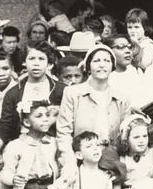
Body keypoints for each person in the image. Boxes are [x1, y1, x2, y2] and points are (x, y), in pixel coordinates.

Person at [55, 45, 132, 178]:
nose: (102, 65)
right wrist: (70, 162)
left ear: (113, 66)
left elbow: (125, 135)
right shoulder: (73, 93)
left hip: (112, 161)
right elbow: (64, 132)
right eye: (96, 61)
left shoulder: (122, 97)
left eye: (107, 61)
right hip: (80, 160)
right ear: (88, 66)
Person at [0, 42, 65, 151]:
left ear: (49, 63)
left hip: (54, 147)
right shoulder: (13, 93)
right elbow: (5, 126)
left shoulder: (61, 90)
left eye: (41, 59)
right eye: (31, 59)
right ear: (24, 62)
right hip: (22, 149)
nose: (36, 63)